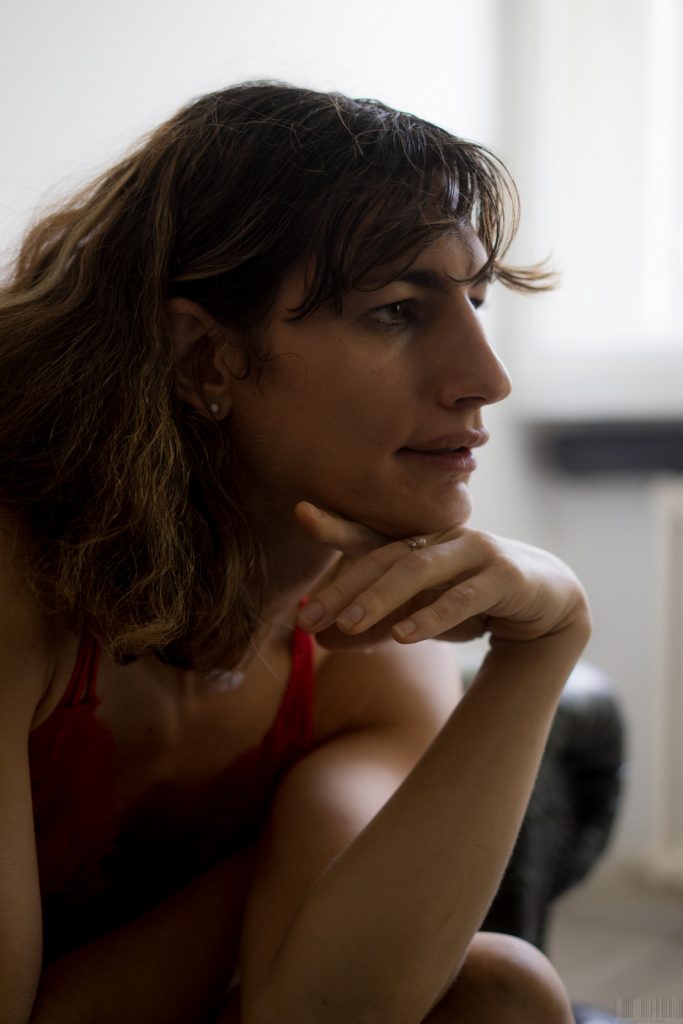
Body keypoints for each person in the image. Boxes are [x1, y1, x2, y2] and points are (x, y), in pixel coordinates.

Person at [0, 81, 590, 1024]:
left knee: (503, 990)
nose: (486, 378)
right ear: (205, 358)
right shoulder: (19, 583)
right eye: (396, 310)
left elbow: (325, 1008)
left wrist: (544, 643)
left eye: (476, 301)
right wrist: (269, 874)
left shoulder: (370, 640)